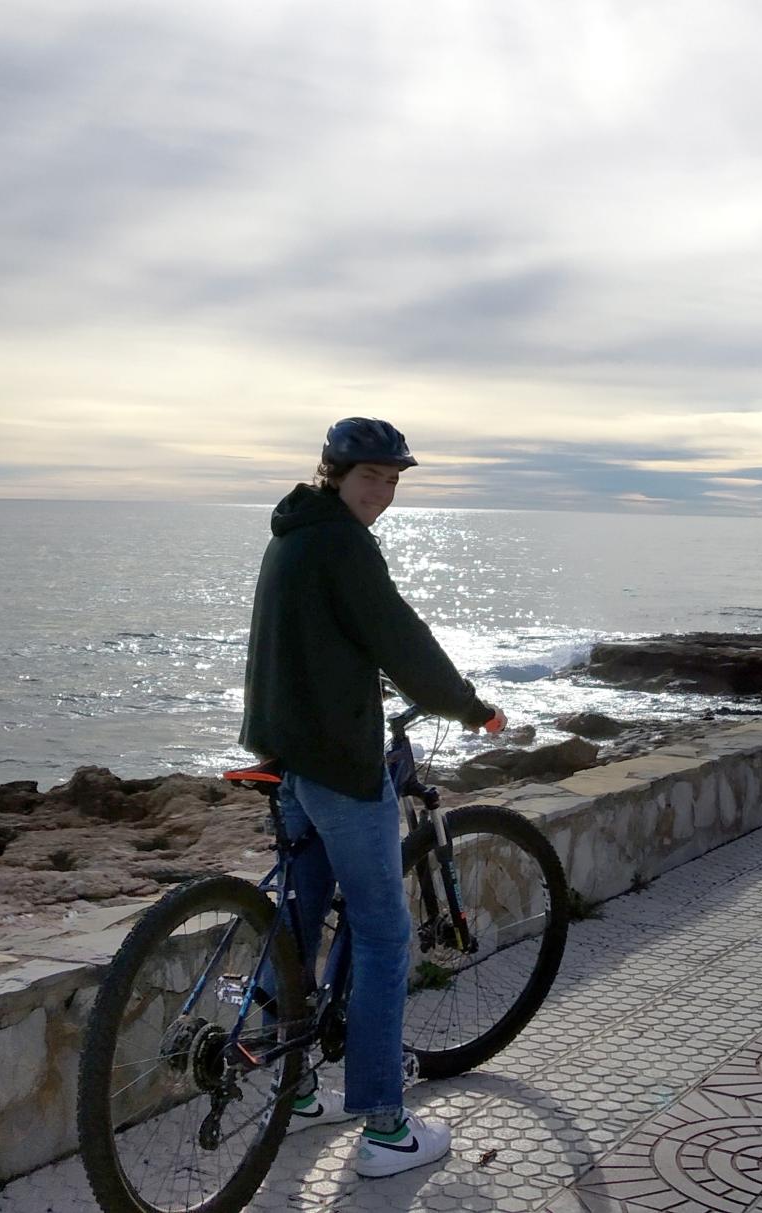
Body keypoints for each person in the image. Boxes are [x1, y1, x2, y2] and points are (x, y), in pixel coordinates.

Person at [239, 416, 503, 1179]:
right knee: (386, 936)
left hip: (285, 753)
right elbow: (399, 636)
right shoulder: (343, 543)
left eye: (392, 479)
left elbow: (307, 639)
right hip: (336, 764)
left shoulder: (292, 534)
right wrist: (466, 703)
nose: (382, 493)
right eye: (370, 478)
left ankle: (290, 1088)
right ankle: (385, 1127)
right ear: (334, 474)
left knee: (295, 924)